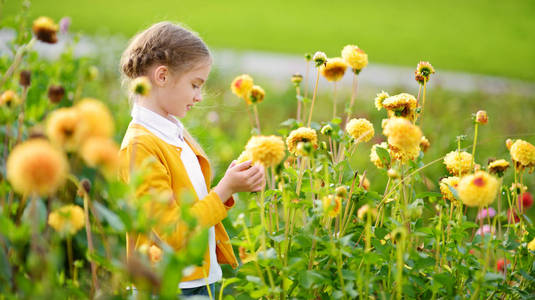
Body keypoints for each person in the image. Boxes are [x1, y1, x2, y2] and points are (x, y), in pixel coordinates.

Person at [118, 21, 265, 297]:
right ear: (162, 76)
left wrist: (234, 182)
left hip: (196, 280)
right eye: (195, 85)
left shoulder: (173, 132)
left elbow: (194, 203)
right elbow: (173, 230)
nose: (199, 97)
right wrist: (224, 190)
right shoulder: (140, 148)